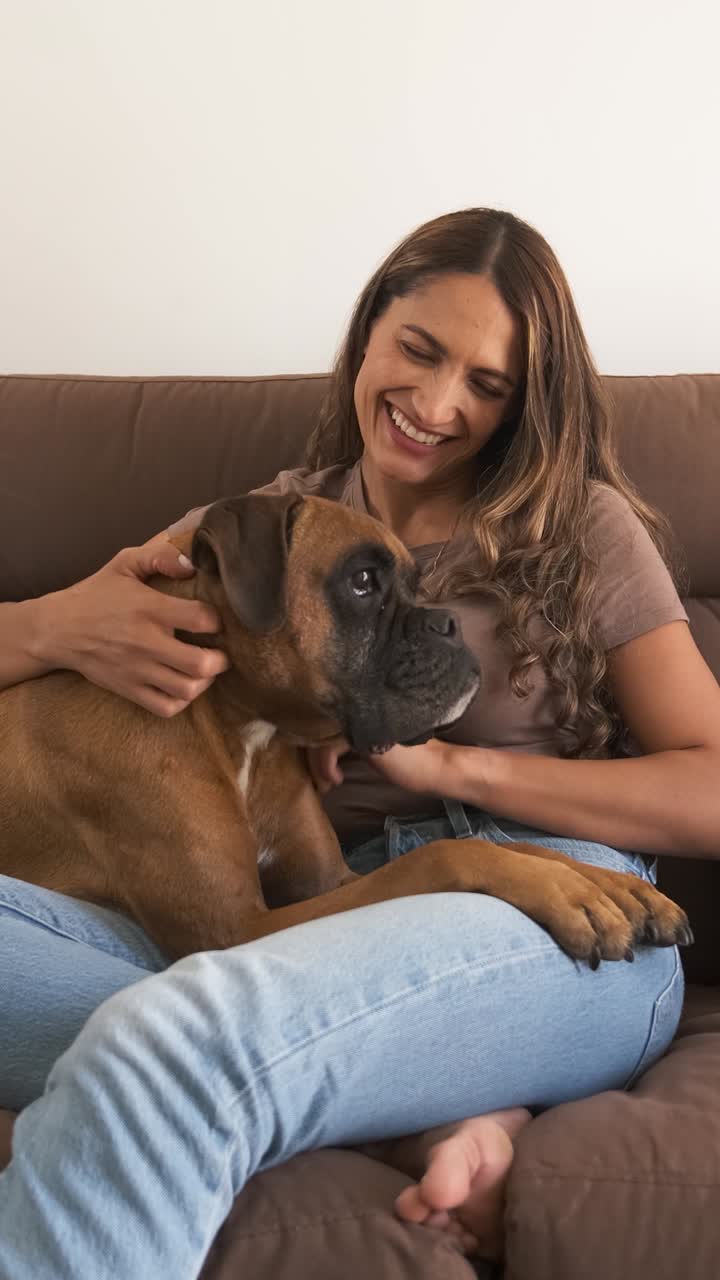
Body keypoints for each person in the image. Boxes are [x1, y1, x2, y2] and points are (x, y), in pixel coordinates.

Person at [0, 207, 718, 1278]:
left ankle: (404, 1083)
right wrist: (46, 620)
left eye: (487, 382)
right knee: (196, 1016)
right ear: (370, 331)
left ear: (525, 401)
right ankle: (418, 1098)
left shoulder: (583, 528)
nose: (435, 404)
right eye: (420, 350)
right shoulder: (260, 527)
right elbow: (111, 651)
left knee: (173, 1033)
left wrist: (451, 763)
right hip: (292, 934)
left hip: (551, 909)